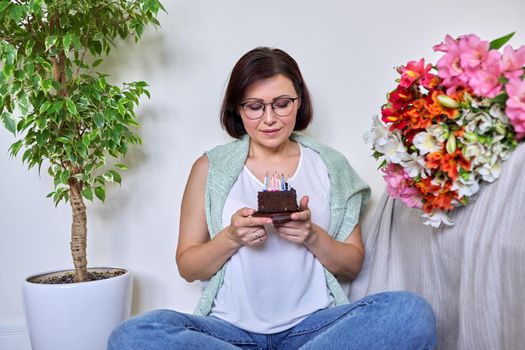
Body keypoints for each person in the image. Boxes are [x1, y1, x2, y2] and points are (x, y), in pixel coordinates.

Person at [108, 47, 436, 350]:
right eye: (255, 106)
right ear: (237, 108)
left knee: (409, 312)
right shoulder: (210, 168)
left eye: (282, 103)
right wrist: (231, 238)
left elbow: (351, 265)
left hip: (315, 331)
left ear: (299, 101)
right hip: (230, 333)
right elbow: (188, 266)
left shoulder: (330, 165)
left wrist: (312, 236)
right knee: (133, 336)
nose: (269, 118)